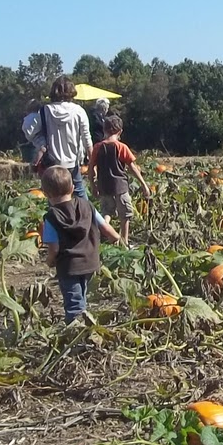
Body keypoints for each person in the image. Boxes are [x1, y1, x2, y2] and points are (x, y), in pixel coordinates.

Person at [39, 165, 120, 323]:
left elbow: (54, 248)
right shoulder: (87, 205)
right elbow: (104, 226)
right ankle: (85, 325)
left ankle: (77, 333)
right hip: (91, 261)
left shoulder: (51, 217)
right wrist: (116, 238)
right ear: (73, 188)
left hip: (69, 267)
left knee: (74, 304)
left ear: (45, 194)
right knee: (82, 295)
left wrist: (49, 261)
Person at [23, 76, 94, 199]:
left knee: (55, 200)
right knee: (81, 199)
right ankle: (93, 218)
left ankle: (59, 218)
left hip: (53, 164)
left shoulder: (45, 111)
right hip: (73, 163)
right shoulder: (79, 111)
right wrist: (92, 164)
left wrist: (40, 142)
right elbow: (87, 140)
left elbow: (29, 131)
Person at [89, 113, 150, 246]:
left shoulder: (97, 147)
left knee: (107, 211)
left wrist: (93, 185)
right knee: (125, 214)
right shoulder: (121, 147)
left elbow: (91, 167)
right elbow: (132, 167)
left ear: (104, 130)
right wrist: (143, 184)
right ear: (120, 131)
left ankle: (104, 229)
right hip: (120, 186)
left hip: (104, 186)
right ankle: (124, 241)